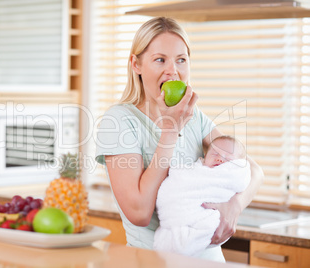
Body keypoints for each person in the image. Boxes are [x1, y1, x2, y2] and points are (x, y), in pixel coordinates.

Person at [95, 17, 263, 262]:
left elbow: (255, 170)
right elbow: (139, 212)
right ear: (136, 64)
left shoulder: (195, 118)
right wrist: (170, 130)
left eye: (181, 60)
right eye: (160, 59)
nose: (172, 70)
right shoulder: (119, 121)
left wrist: (233, 207)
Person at [154, 135, 251, 256]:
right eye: (215, 154)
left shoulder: (231, 176)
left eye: (228, 159)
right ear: (205, 157)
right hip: (175, 218)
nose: (220, 159)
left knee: (186, 242)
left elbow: (251, 175)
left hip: (206, 224)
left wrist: (236, 205)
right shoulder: (193, 171)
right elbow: (176, 183)